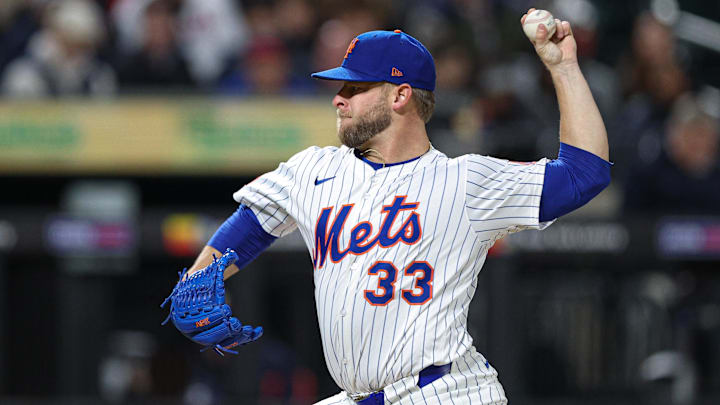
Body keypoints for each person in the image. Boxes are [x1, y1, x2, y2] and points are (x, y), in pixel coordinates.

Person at [171, 8, 611, 404]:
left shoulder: (465, 182)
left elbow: (584, 173)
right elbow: (252, 222)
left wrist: (564, 66)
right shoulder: (313, 170)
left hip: (444, 393)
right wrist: (199, 278)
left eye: (355, 86)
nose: (338, 98)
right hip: (360, 395)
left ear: (400, 96)